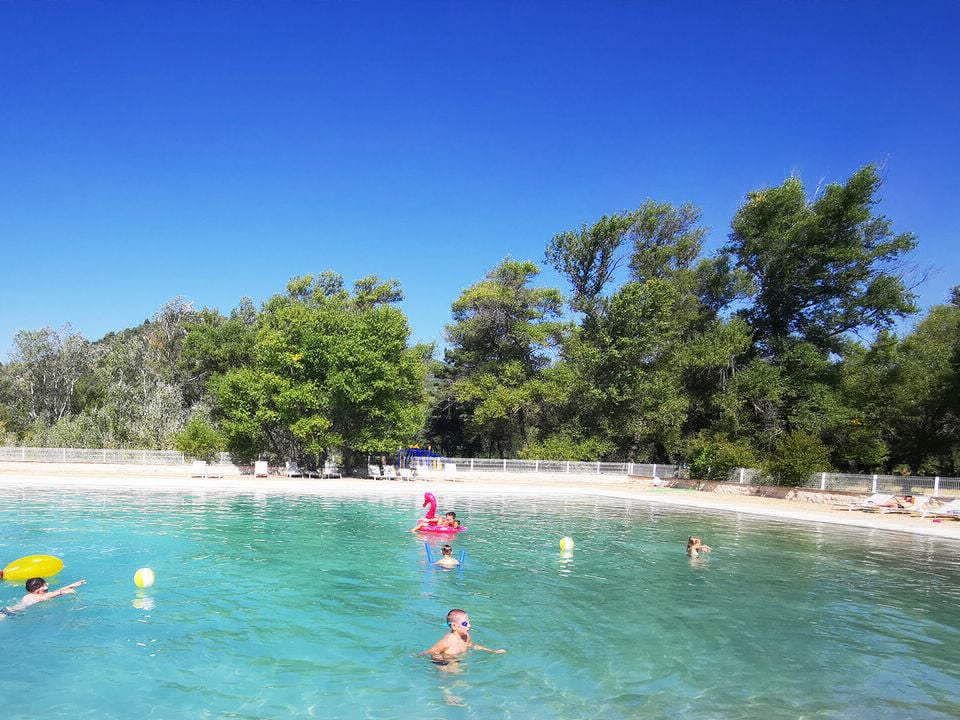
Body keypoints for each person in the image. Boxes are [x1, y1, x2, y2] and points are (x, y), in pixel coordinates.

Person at [423, 609, 505, 663]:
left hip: (456, 660)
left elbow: (473, 646)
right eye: (465, 624)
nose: (469, 625)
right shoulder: (447, 641)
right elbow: (431, 652)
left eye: (469, 622)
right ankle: (446, 687)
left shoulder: (466, 637)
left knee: (457, 667)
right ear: (454, 626)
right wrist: (417, 656)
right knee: (454, 668)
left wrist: (492, 651)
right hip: (442, 661)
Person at [2, 577, 86, 615]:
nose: (47, 587)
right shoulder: (35, 597)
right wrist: (62, 593)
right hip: (7, 614)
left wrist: (73, 585)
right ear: (38, 589)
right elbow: (45, 596)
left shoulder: (30, 595)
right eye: (44, 585)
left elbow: (53, 593)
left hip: (7, 611)